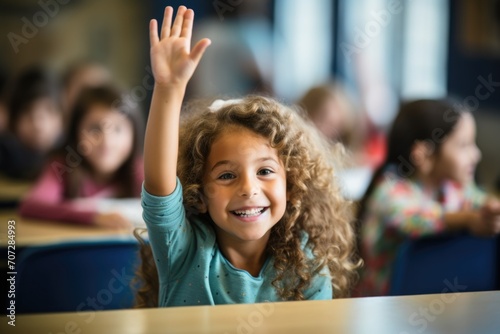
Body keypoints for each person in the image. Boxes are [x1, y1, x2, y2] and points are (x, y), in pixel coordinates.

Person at [135, 6, 360, 308]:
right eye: (227, 175)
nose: (248, 188)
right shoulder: (183, 248)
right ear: (198, 195)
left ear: (291, 186)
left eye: (265, 172)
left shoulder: (307, 265)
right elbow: (159, 186)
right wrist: (168, 89)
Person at [355, 98, 500, 296]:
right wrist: (468, 219)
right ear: (423, 154)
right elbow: (414, 218)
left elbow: (482, 202)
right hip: (379, 312)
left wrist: (491, 210)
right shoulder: (389, 191)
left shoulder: (453, 188)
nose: (476, 155)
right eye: (463, 145)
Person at [19, 84, 144, 228]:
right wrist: (93, 217)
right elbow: (31, 205)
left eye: (118, 129)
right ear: (75, 133)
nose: (107, 141)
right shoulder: (62, 166)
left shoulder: (138, 168)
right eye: (94, 129)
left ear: (134, 134)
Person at [0, 66, 64, 180]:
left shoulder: (72, 157)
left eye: (48, 110)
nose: (38, 124)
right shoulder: (5, 154)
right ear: (13, 119)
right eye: (27, 112)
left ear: (62, 116)